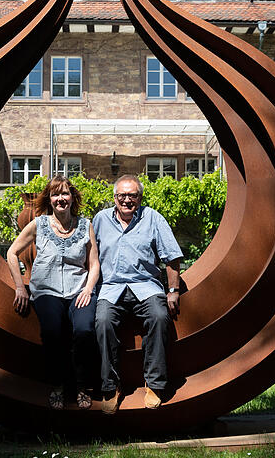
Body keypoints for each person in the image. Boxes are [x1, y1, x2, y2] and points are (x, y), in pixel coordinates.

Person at [6, 176, 100, 410]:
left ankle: (81, 385)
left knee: (85, 329)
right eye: (56, 194)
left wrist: (88, 289)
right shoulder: (39, 224)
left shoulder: (85, 225)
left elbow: (94, 263)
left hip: (79, 290)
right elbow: (12, 253)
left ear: (72, 198)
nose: (61, 199)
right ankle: (57, 384)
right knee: (52, 331)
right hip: (46, 291)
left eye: (65, 194)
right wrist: (20, 286)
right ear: (49, 199)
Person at [93, 174, 183, 414]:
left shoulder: (153, 218)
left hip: (145, 287)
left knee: (159, 317)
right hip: (111, 288)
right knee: (102, 322)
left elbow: (172, 256)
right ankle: (110, 387)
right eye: (122, 195)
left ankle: (154, 384)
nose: (126, 200)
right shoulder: (100, 220)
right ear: (114, 197)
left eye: (132, 195)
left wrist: (173, 291)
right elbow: (89, 257)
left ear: (140, 197)